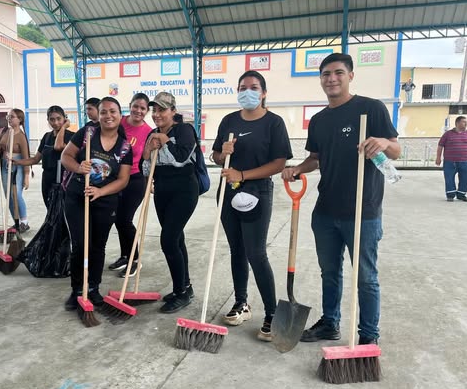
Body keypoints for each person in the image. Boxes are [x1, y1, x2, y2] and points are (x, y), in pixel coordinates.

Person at [282, 53, 400, 345]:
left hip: (363, 211)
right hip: (326, 211)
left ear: (350, 76)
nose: (331, 79)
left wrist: (383, 142)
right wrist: (297, 169)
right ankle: (330, 323)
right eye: (326, 74)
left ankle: (368, 336)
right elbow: (315, 158)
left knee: (366, 277)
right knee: (330, 273)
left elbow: (395, 150)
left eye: (338, 73)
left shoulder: (371, 109)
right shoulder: (319, 120)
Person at [212, 70, 293, 341]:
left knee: (256, 253)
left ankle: (272, 313)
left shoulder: (273, 123)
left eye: (254, 87)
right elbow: (215, 155)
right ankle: (241, 303)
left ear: (264, 93)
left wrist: (243, 174)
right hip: (228, 191)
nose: (248, 92)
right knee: (236, 250)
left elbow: (279, 163)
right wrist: (222, 153)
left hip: (257, 191)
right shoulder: (229, 120)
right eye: (242, 87)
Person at [61, 97, 133, 309]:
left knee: (97, 246)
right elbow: (66, 156)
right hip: (77, 196)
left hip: (105, 200)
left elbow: (123, 180)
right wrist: (78, 168)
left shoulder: (125, 147)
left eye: (112, 111)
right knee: (80, 244)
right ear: (98, 115)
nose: (108, 116)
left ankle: (93, 287)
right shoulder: (87, 134)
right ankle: (77, 290)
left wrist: (101, 191)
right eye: (103, 112)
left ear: (120, 115)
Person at [140, 92, 199, 313]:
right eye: (154, 110)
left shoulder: (184, 130)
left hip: (184, 190)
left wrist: (165, 142)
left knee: (168, 240)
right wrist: (148, 150)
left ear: (173, 111)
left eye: (162, 110)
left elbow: (181, 159)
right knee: (176, 238)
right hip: (162, 191)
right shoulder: (152, 133)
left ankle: (181, 293)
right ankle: (185, 286)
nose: (157, 114)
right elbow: (146, 168)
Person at [108, 93, 153, 278]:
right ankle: (125, 255)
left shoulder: (149, 131)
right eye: (136, 106)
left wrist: (151, 181)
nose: (138, 111)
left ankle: (135, 259)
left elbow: (149, 159)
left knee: (124, 220)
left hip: (135, 179)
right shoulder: (119, 122)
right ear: (130, 105)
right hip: (115, 177)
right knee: (117, 219)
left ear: (147, 111)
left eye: (143, 108)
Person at [12, 106, 73, 208]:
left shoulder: (72, 136)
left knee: (62, 209)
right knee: (49, 208)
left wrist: (63, 128)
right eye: (52, 119)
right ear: (48, 120)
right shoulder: (47, 137)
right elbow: (35, 159)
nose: (55, 122)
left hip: (64, 179)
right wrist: (17, 162)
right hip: (47, 179)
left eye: (59, 119)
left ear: (65, 119)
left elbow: (58, 146)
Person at [0, 109, 31, 232]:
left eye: (12, 116)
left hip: (18, 166)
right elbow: (1, 146)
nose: (9, 119)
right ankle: (16, 222)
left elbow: (26, 157)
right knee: (8, 195)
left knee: (16, 194)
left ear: (20, 119)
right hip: (5, 165)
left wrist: (26, 175)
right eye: (8, 116)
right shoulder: (6, 132)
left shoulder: (21, 136)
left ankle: (24, 221)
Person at [435, 116, 467, 201]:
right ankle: (450, 195)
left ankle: (461, 194)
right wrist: (438, 158)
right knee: (449, 179)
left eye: (466, 122)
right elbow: (440, 146)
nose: (466, 124)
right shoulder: (448, 134)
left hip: (465, 161)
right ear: (457, 123)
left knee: (466, 178)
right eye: (464, 122)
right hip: (450, 162)